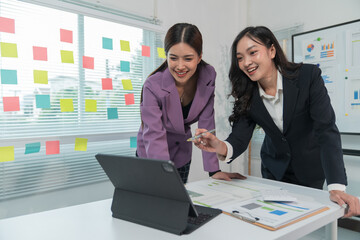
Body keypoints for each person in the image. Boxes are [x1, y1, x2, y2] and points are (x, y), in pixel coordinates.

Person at [194, 26, 360, 217]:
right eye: (240, 58)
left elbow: (326, 131)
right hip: (274, 168)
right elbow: (239, 139)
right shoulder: (248, 95)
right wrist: (218, 145)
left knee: (303, 222)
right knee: (274, 220)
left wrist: (337, 186)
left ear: (271, 50)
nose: (246, 62)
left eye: (252, 52)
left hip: (309, 168)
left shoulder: (308, 77)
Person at [136, 23, 244, 183]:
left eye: (188, 58)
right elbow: (154, 134)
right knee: (153, 203)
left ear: (199, 57)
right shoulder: (152, 85)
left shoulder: (208, 75)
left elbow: (207, 121)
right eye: (173, 58)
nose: (180, 66)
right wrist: (164, 174)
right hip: (151, 155)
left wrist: (213, 170)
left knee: (179, 204)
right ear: (166, 56)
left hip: (181, 154)